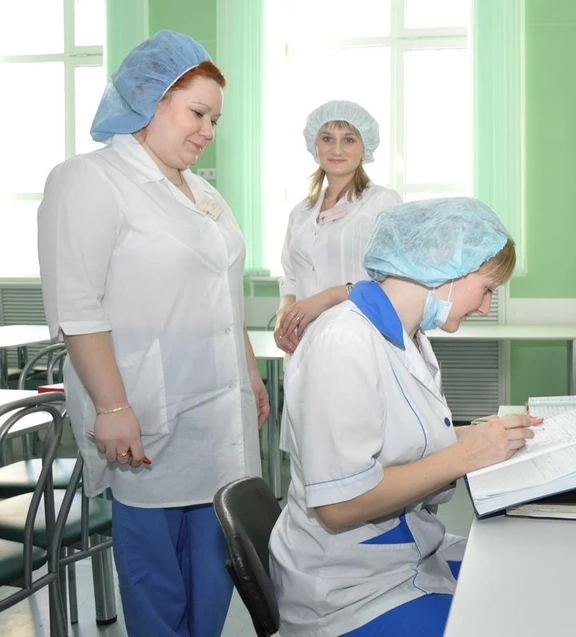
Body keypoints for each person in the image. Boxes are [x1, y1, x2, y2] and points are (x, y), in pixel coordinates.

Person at [37, 30, 269, 637]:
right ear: (151, 99)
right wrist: (112, 407)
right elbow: (77, 308)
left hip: (219, 417)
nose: (208, 131)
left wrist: (248, 371)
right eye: (198, 113)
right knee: (157, 581)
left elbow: (223, 294)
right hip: (146, 417)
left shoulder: (203, 192)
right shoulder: (89, 179)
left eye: (215, 120)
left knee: (217, 572)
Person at [269, 197, 541, 636]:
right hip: (347, 586)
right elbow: (338, 505)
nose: (485, 306)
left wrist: (488, 437)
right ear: (447, 266)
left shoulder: (409, 337)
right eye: (487, 289)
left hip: (409, 548)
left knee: (524, 585)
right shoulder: (344, 341)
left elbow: (410, 442)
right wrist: (465, 455)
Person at [273, 100, 402, 355]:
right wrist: (283, 317)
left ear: (365, 148)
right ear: (315, 145)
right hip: (304, 344)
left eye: (349, 140)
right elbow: (291, 279)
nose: (337, 149)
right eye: (327, 139)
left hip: (361, 341)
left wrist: (328, 297)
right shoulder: (300, 212)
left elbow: (396, 280)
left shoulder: (383, 202)